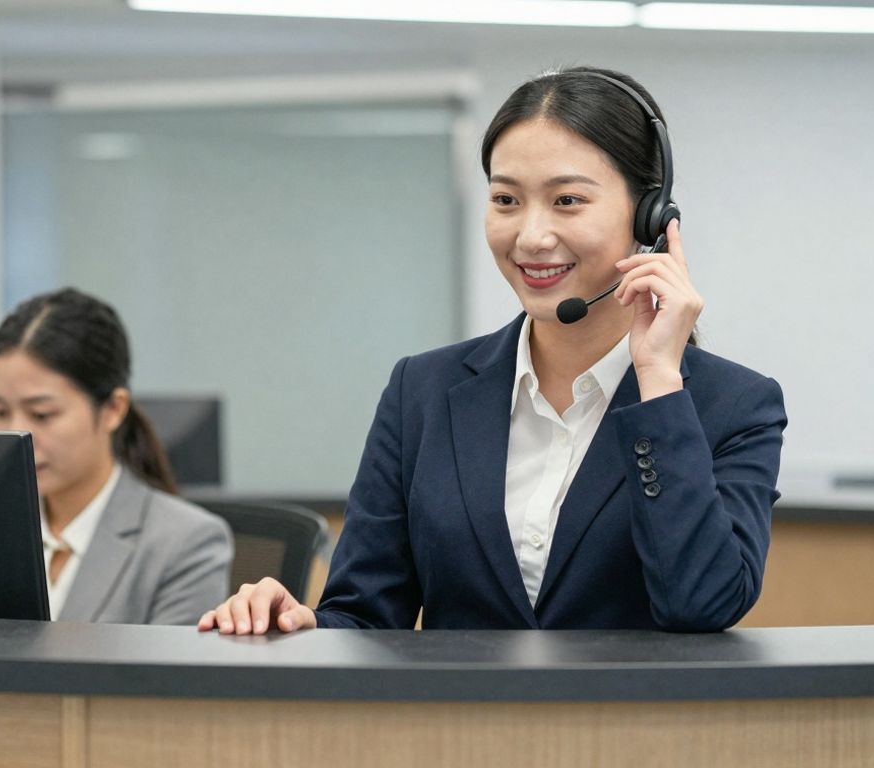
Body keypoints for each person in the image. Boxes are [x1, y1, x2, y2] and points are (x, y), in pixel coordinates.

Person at [199, 66, 787, 635]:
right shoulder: (421, 391)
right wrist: (298, 621)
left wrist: (659, 377)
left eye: (567, 201)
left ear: (649, 215)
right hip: (457, 734)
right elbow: (365, 616)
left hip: (633, 733)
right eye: (506, 200)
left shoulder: (732, 406)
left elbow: (702, 604)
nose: (530, 236)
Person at [0, 287, 233, 624]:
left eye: (42, 415)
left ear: (113, 409)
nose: (16, 434)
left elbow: (165, 679)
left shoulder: (183, 544)